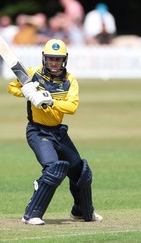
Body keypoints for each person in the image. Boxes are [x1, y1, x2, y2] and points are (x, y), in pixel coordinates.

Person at [7, 39, 103, 225]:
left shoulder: (69, 80)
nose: (53, 63)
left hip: (59, 132)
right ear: (44, 58)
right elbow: (12, 87)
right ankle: (31, 214)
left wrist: (50, 101)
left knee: (81, 172)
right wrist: (27, 92)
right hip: (38, 131)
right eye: (50, 58)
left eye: (57, 59)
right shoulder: (33, 73)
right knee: (53, 169)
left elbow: (72, 107)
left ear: (64, 60)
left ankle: (82, 211)